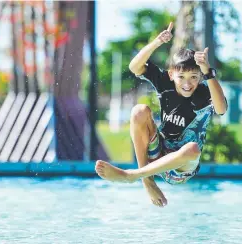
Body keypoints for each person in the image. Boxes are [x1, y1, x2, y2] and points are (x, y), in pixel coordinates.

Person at [95, 22, 228, 207]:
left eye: (194, 77)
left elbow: (221, 109)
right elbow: (134, 67)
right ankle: (147, 181)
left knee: (193, 149)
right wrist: (157, 42)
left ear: (200, 76)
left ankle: (133, 175)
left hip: (181, 168)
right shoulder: (164, 82)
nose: (187, 84)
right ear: (172, 74)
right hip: (158, 151)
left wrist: (208, 72)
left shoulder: (205, 92)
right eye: (181, 77)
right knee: (139, 111)